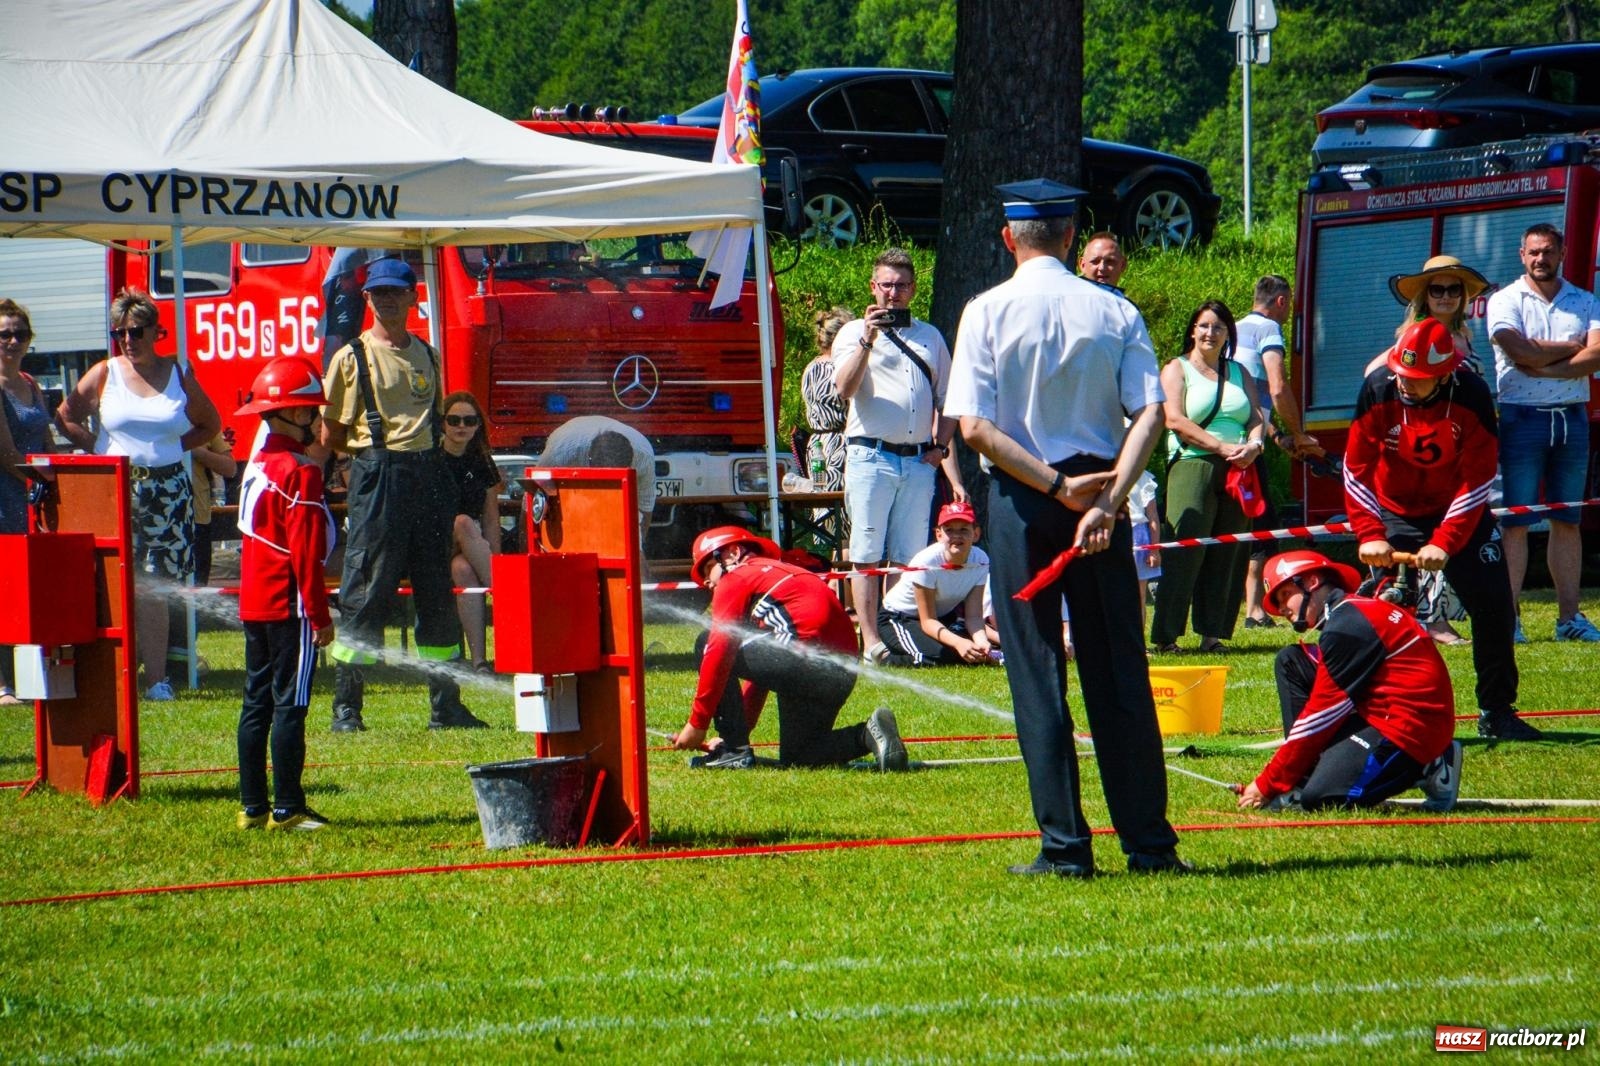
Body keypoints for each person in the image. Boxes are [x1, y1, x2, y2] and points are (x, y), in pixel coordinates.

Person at [945, 177, 1189, 877]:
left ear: (1008, 238)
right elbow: (1150, 412)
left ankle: (1064, 847)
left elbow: (975, 429)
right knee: (1118, 671)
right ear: (1072, 237)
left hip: (1026, 500)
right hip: (1099, 497)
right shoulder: (1114, 310)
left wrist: (1053, 487)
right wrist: (1108, 501)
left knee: (1037, 672)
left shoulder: (986, 310)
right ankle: (1148, 842)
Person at [1344, 318, 1536, 741]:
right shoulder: (1378, 387)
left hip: (1457, 511)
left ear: (1445, 374)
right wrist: (1369, 533)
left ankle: (1497, 711)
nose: (1404, 384)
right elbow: (1356, 468)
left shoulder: (1472, 395)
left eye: (1416, 378)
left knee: (1495, 607)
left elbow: (1479, 476)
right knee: (1380, 615)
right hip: (1394, 512)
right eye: (1401, 373)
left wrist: (1446, 541)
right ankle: (1371, 712)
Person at [320, 257, 486, 732]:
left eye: (396, 291)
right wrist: (368, 467)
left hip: (427, 476)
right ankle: (347, 708)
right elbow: (331, 432)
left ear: (413, 297)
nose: (387, 299)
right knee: (366, 595)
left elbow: (436, 418)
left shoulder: (428, 355)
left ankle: (446, 706)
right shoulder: (351, 357)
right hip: (378, 476)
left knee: (436, 595)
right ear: (367, 298)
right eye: (378, 292)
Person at [57, 288, 222, 702]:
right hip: (114, 488)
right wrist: (98, 448)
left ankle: (157, 680)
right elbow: (66, 415)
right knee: (112, 582)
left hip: (168, 489)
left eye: (136, 331)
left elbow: (210, 424)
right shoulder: (105, 372)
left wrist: (171, 451)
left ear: (156, 331)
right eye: (120, 333)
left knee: (155, 586)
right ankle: (113, 676)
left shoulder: (179, 373)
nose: (128, 340)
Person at [670, 525, 908, 771]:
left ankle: (733, 752)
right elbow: (762, 671)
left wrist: (698, 725)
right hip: (839, 673)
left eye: (709, 568)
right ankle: (869, 733)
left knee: (706, 641)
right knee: (801, 755)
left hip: (800, 658)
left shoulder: (737, 577)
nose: (708, 582)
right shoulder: (780, 575)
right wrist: (737, 735)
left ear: (732, 553)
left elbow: (719, 650)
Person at [1238, 550, 1461, 812]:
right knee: (1291, 661)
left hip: (1409, 728)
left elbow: (1319, 717)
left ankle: (1433, 764)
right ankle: (1305, 775)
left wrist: (1268, 784)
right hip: (1382, 712)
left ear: (1311, 582)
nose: (1283, 608)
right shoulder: (1348, 614)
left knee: (1322, 800)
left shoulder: (1346, 627)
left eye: (1286, 594)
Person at [831, 248, 966, 662]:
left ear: (913, 290)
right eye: (886, 285)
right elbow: (844, 389)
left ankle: (899, 634)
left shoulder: (930, 336)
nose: (893, 293)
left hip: (918, 460)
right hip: (871, 456)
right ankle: (870, 640)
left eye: (901, 285)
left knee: (908, 554)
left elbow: (950, 399)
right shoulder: (852, 332)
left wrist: (940, 446)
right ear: (873, 287)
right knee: (868, 551)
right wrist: (868, 339)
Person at [233, 357, 338, 831]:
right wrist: (320, 617)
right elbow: (307, 555)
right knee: (290, 706)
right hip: (290, 606)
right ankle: (289, 808)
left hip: (255, 602)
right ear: (292, 415)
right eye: (311, 411)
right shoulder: (302, 472)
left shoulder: (258, 464)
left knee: (255, 703)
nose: (318, 420)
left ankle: (252, 807)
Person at [1485, 223, 1600, 644]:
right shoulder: (1504, 300)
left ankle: (1569, 618)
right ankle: (1510, 619)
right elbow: (1517, 351)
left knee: (1567, 518)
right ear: (1522, 255)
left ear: (1562, 252)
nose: (1541, 259)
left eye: (1548, 251)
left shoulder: (1585, 300)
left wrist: (1542, 363)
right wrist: (1572, 346)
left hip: (1572, 417)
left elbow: (1598, 353)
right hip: (1521, 417)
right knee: (1515, 522)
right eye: (1533, 252)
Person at [1372, 254, 1496, 647]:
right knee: (1427, 538)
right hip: (1423, 457)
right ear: (1425, 296)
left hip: (1461, 454)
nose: (1445, 296)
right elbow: (1374, 376)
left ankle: (1444, 617)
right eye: (1437, 289)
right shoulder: (1414, 333)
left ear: (1463, 296)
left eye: (1453, 289)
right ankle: (1432, 620)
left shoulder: (1464, 335)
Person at [1149, 300, 1266, 654]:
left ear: (1228, 333)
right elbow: (1175, 420)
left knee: (1228, 551)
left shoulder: (1239, 372)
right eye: (1203, 326)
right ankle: (1167, 636)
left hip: (1239, 467)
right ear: (1192, 330)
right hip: (1193, 462)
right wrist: (1220, 447)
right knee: (1186, 549)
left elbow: (1256, 416)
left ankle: (1212, 635)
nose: (1210, 333)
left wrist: (1255, 445)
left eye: (1217, 327)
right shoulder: (1177, 369)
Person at [1233, 275, 1320, 628]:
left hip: (1236, 435)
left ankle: (1241, 607)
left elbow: (1251, 397)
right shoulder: (1268, 329)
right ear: (1282, 302)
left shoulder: (1234, 329)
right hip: (1245, 447)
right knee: (1263, 522)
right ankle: (1254, 610)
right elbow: (1276, 385)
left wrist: (1277, 435)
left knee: (1242, 523)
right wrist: (1299, 434)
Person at [0, 298, 54, 706]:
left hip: (37, 496)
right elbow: (6, 453)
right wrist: (40, 482)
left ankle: (32, 679)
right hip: (7, 497)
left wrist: (60, 478)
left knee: (33, 592)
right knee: (5, 592)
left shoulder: (32, 384)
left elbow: (47, 441)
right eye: (5, 334)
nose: (13, 340)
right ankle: (3, 686)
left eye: (21, 334)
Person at [876, 501, 991, 667]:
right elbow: (928, 621)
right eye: (949, 530)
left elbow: (973, 616)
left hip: (940, 617)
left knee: (969, 653)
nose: (957, 536)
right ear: (938, 534)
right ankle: (886, 660)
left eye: (964, 530)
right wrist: (959, 643)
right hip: (898, 618)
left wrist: (981, 642)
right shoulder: (927, 561)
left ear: (976, 534)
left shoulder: (981, 560)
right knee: (938, 657)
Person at [439, 391, 501, 671]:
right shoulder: (431, 459)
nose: (461, 425)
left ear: (478, 425)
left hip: (468, 545)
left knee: (463, 570)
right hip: (434, 541)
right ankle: (507, 598)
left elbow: (491, 518)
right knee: (462, 521)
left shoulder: (482, 461)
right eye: (453, 420)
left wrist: (496, 559)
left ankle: (479, 662)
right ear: (442, 424)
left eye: (469, 420)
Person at [539, 414, 657, 544]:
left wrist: (637, 550)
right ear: (591, 461)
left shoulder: (643, 458)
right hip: (569, 441)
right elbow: (531, 504)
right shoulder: (560, 455)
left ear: (629, 464)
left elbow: (644, 508)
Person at [801, 306, 853, 493]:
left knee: (822, 505)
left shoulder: (811, 367)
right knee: (842, 508)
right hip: (840, 445)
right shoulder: (840, 369)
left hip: (817, 443)